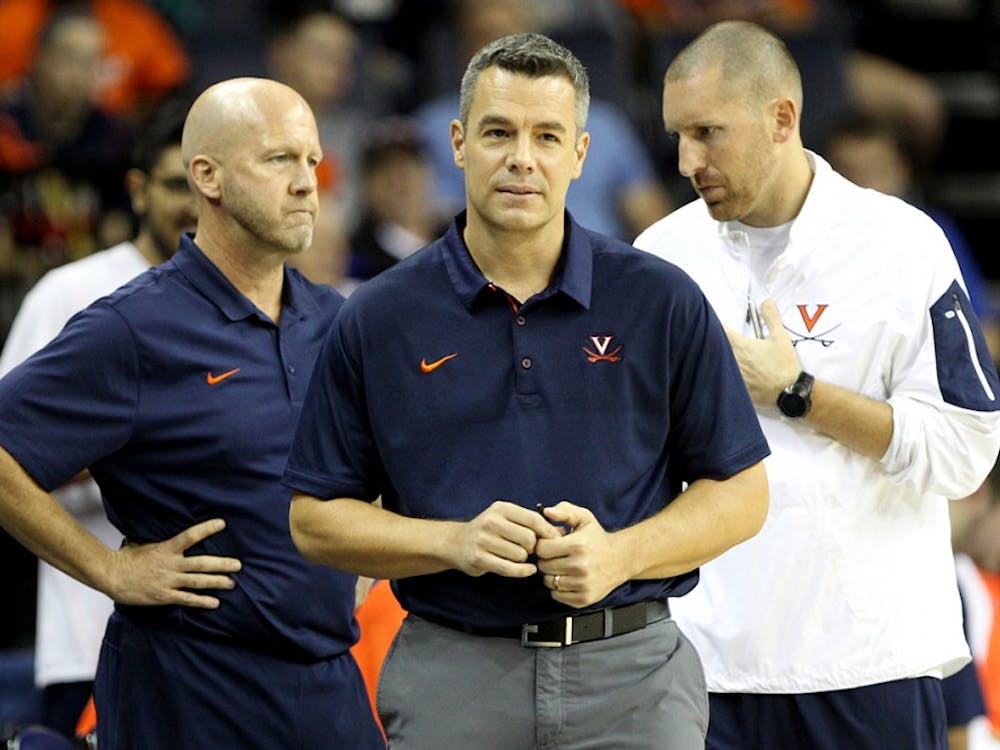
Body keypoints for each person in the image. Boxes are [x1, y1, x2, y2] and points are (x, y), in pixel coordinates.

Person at [282, 31, 770, 749]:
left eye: (547, 136)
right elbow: (315, 519)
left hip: (632, 675)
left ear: (579, 154)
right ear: (457, 143)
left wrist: (621, 556)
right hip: (453, 673)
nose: (521, 157)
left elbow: (741, 493)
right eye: (498, 132)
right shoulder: (379, 317)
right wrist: (454, 541)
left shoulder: (658, 299)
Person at [633, 20, 1000, 750]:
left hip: (870, 664)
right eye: (678, 135)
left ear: (781, 119)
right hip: (704, 668)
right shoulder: (659, 258)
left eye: (708, 132)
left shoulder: (903, 246)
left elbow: (966, 449)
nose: (687, 160)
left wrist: (800, 393)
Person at [0, 77, 385, 749]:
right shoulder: (133, 327)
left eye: (312, 162)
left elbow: (378, 465)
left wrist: (366, 557)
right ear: (205, 175)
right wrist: (109, 569)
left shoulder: (335, 320)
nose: (305, 183)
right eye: (278, 160)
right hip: (190, 692)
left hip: (328, 685)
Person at [0, 98, 194, 740]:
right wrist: (138, 448)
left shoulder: (264, 298)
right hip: (90, 635)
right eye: (175, 186)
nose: (193, 204)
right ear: (137, 190)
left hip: (220, 650)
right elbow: (9, 459)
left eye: (203, 183)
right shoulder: (71, 293)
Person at [413, 0, 674, 242]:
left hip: (599, 273)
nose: (501, 52)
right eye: (485, 37)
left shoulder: (603, 124)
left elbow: (652, 221)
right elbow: (417, 226)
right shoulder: (432, 126)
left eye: (513, 38)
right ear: (464, 53)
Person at [0, 5, 135, 344]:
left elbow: (120, 240)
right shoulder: (5, 129)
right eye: (70, 59)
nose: (81, 75)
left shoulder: (115, 139)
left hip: (85, 302)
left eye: (93, 62)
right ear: (39, 58)